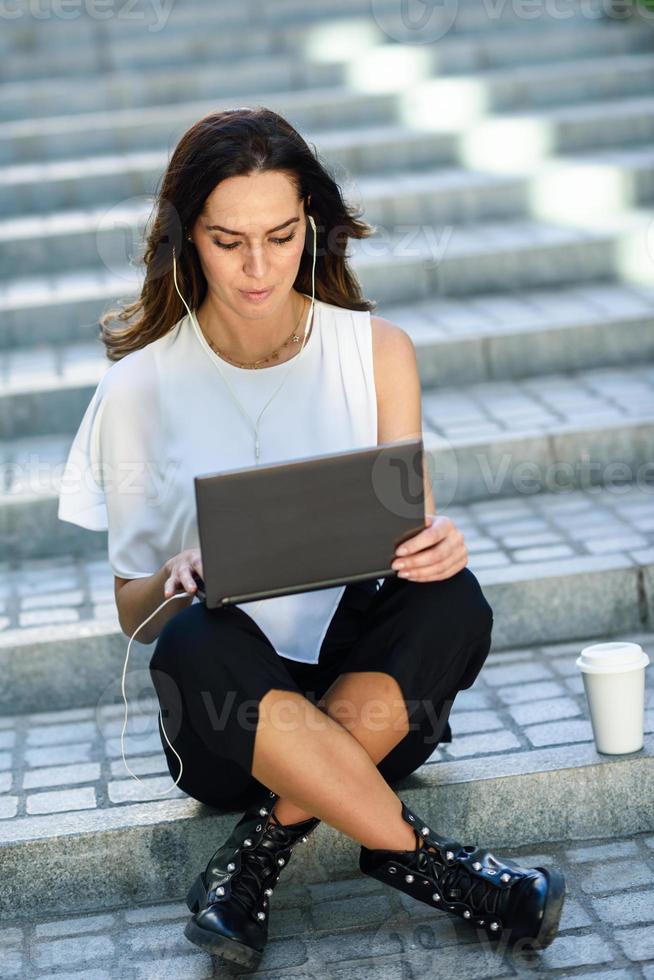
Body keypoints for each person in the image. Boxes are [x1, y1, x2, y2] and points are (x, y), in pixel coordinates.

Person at [57, 106, 565, 968]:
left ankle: (255, 855)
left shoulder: (377, 352)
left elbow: (406, 541)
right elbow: (132, 619)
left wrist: (436, 546)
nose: (259, 268)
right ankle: (438, 868)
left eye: (282, 235)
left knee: (453, 596)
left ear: (312, 229)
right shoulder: (139, 390)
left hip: (371, 709)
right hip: (230, 729)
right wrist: (175, 577)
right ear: (187, 241)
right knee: (190, 634)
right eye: (228, 242)